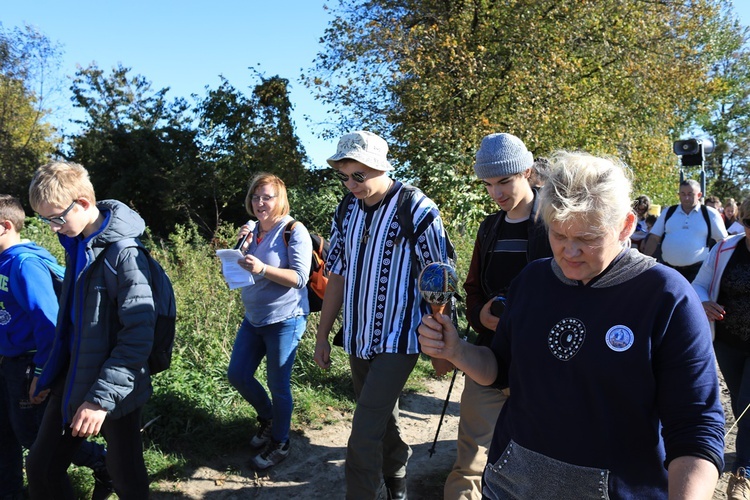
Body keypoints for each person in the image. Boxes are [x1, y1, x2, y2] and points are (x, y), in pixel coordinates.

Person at [418, 151, 725, 499]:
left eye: (588, 238)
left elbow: (696, 427)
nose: (569, 252)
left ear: (625, 225)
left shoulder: (666, 296)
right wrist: (457, 350)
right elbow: (499, 370)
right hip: (509, 487)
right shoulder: (533, 280)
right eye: (559, 235)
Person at [313, 130, 450, 500]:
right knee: (381, 419)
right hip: (357, 335)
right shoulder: (345, 210)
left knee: (363, 431)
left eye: (359, 175)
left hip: (400, 338)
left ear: (379, 167)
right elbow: (336, 274)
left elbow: (439, 276)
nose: (351, 184)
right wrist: (323, 334)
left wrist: (442, 345)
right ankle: (398, 481)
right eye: (344, 176)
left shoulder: (416, 207)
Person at [25, 162, 154, 499]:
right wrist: (49, 372)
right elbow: (70, 323)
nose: (52, 228)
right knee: (41, 468)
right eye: (45, 220)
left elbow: (139, 333)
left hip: (115, 387)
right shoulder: (78, 246)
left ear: (82, 203)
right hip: (73, 376)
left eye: (56, 218)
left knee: (127, 479)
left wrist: (99, 400)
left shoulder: (125, 254)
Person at [442, 133, 551, 500]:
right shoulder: (490, 227)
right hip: (487, 356)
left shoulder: (555, 225)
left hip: (541, 362)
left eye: (504, 181)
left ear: (529, 172)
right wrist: (480, 316)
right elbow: (473, 287)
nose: (497, 193)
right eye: (489, 184)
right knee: (469, 463)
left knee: (538, 463)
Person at [0, 195, 113, 500]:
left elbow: (49, 323)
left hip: (27, 364)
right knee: (5, 431)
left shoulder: (24, 265)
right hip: (7, 361)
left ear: (5, 226)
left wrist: (42, 373)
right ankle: (10, 492)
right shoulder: (2, 262)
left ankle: (103, 462)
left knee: (32, 436)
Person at [227, 173, 312, 471]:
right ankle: (268, 418)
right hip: (254, 318)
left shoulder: (293, 230)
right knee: (237, 374)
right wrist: (236, 254)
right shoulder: (252, 230)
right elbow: (242, 269)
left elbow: (300, 278)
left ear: (280, 200)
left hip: (285, 319)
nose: (260, 202)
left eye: (267, 197)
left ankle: (281, 441)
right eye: (255, 196)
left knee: (279, 385)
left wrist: (262, 267)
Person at [693, 197, 750, 499]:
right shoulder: (726, 248)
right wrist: (703, 302)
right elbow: (699, 283)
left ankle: (744, 472)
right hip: (727, 342)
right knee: (741, 405)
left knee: (748, 404)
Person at [643, 179, 727, 281]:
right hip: (669, 270)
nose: (686, 198)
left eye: (690, 194)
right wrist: (643, 263)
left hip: (698, 272)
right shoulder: (668, 212)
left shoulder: (710, 214)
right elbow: (654, 238)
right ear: (679, 195)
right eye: (683, 194)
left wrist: (721, 269)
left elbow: (723, 243)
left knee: (695, 297)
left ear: (699, 195)